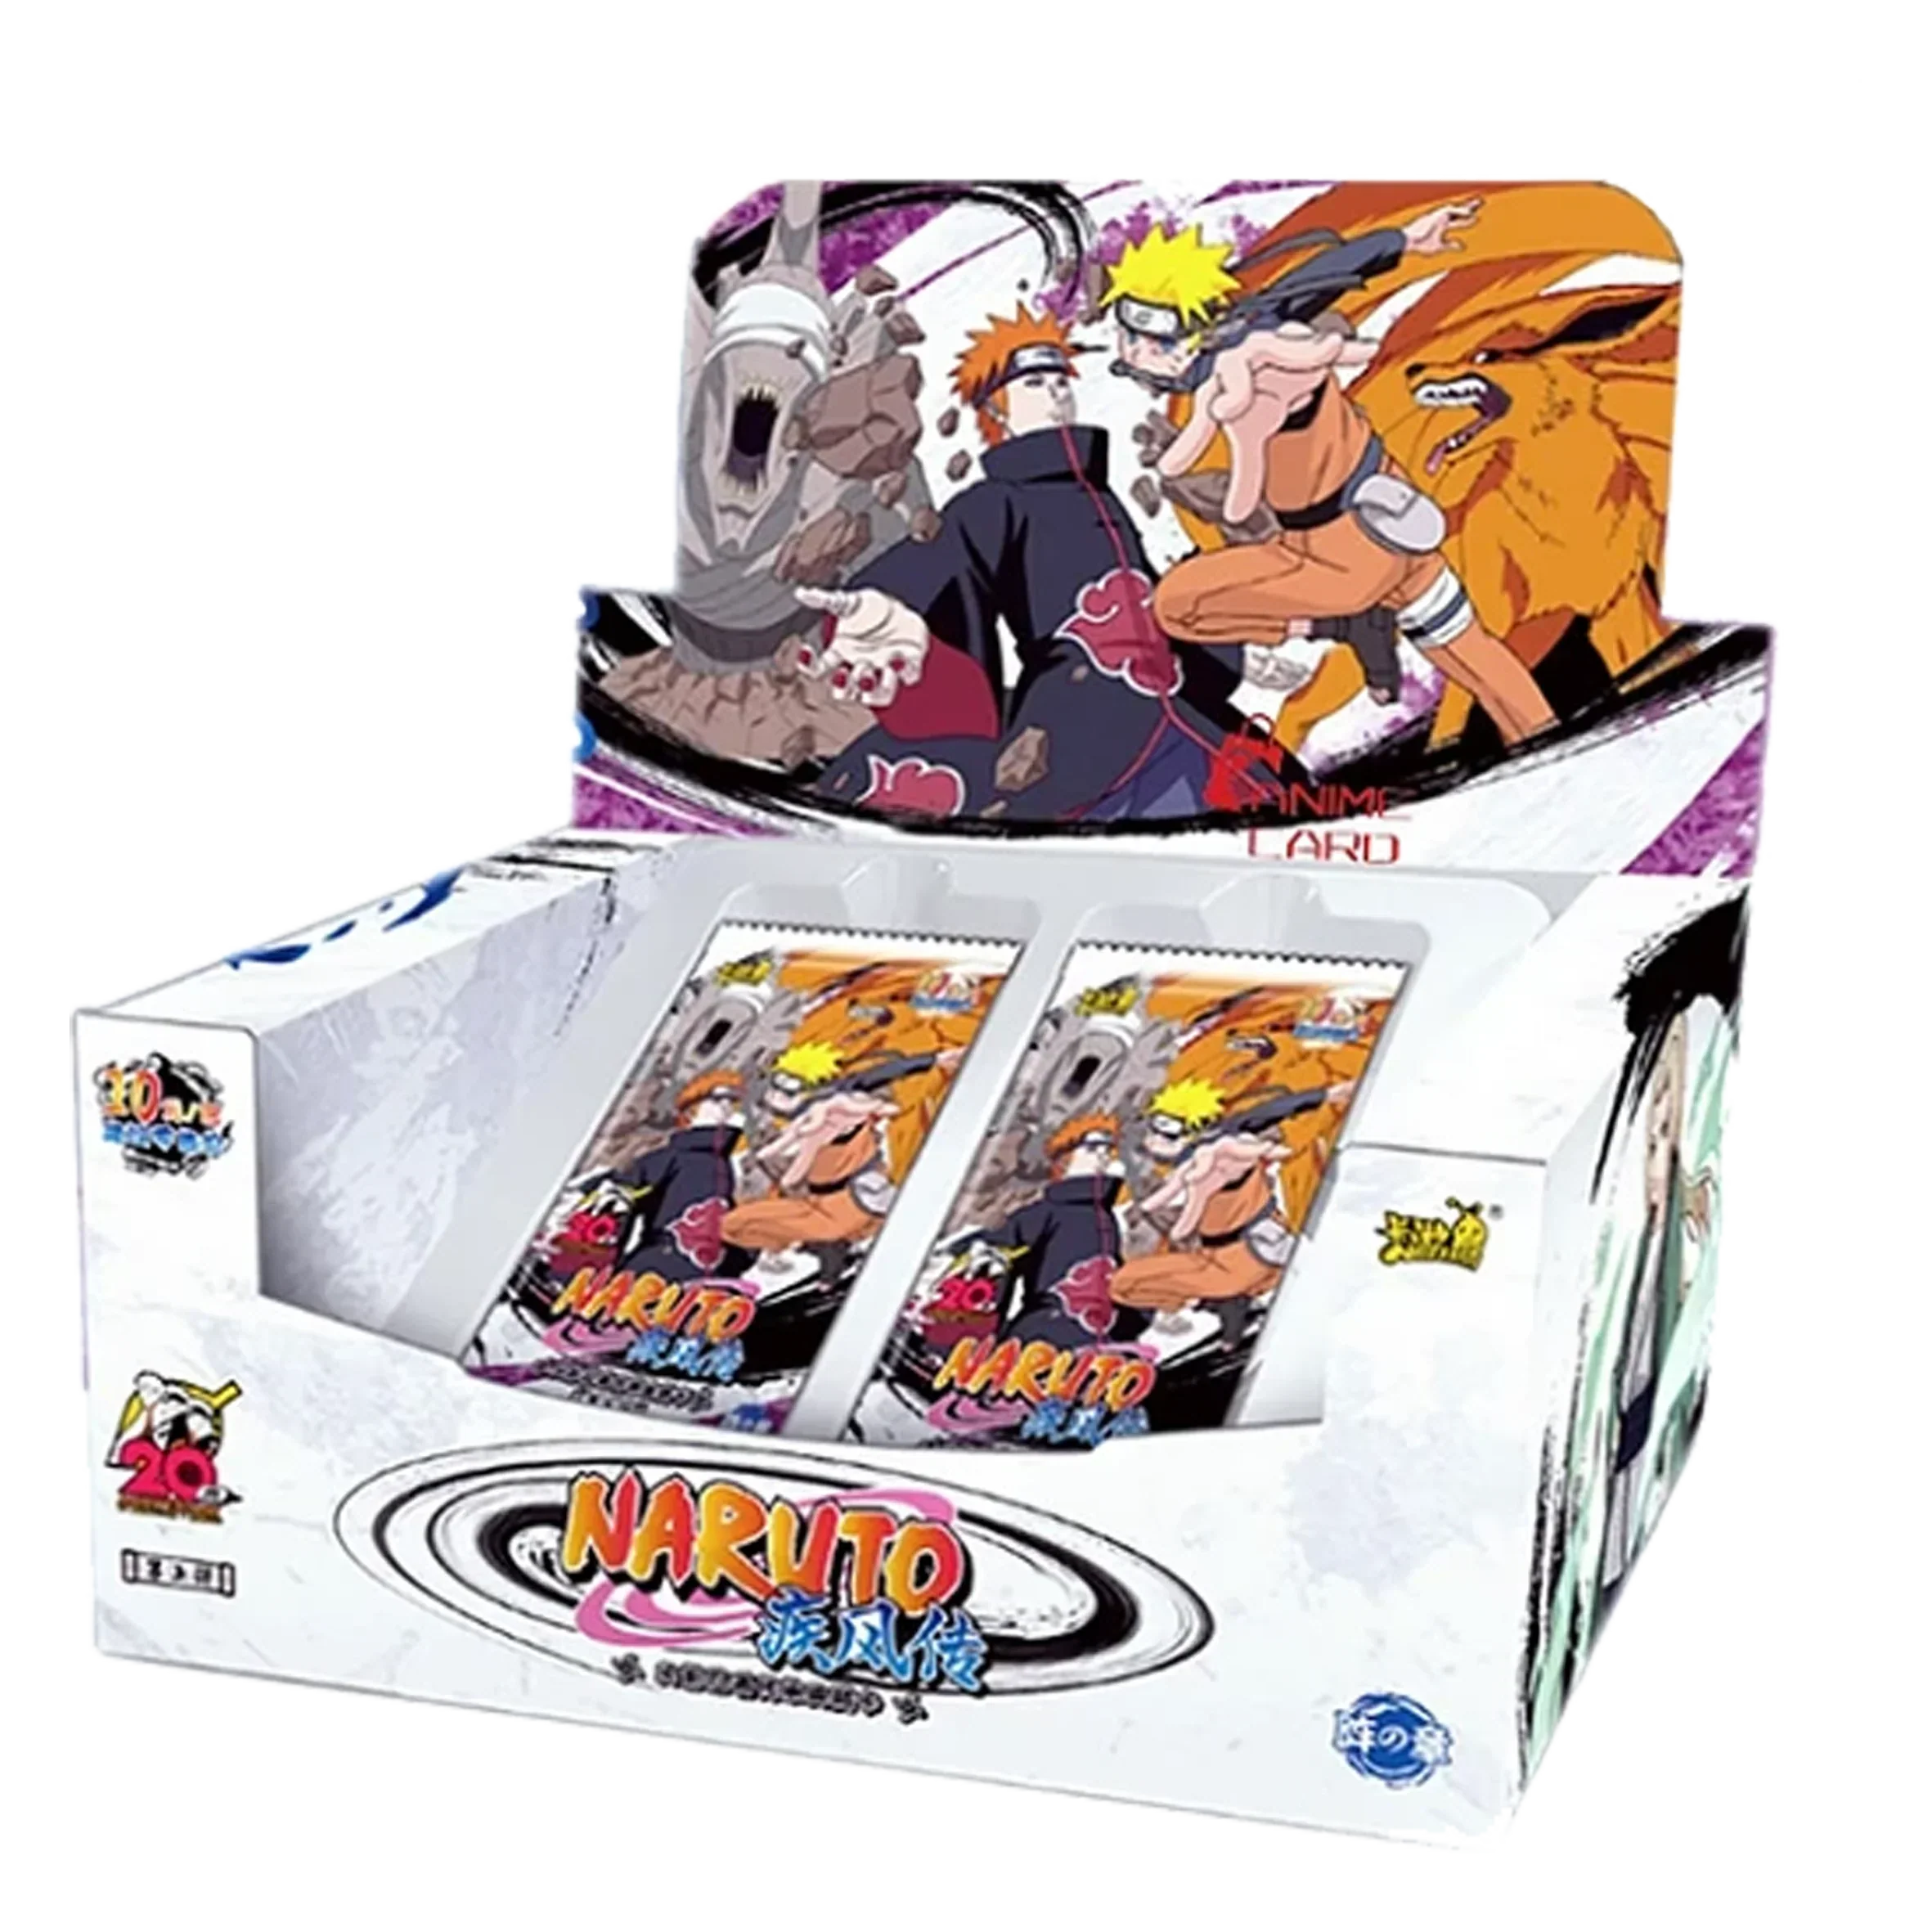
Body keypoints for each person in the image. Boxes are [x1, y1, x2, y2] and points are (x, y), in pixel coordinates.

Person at [797, 304, 1296, 824]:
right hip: (1077, 724)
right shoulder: (995, 502)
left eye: (1061, 381)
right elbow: (937, 560)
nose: (1056, 394)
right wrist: (889, 607)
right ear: (997, 412)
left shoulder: (1100, 494)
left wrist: (1214, 605)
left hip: (1168, 707)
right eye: (1034, 384)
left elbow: (1137, 595)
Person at [1103, 215, 1559, 747]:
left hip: (1339, 560)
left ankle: (1344, 624)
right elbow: (1319, 275)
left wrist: (1222, 447)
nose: (1135, 357)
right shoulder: (1260, 325)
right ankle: (1545, 735)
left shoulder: (1248, 378)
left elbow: (1238, 503)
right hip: (1392, 514)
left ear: (1184, 336)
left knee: (1176, 606)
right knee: (1471, 652)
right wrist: (1405, 240)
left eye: (1144, 344)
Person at [609, 1071, 753, 1283]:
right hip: (654, 1274)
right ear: (691, 1109)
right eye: (716, 1099)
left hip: (706, 1282)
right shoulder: (669, 1159)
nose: (725, 1106)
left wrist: (738, 1258)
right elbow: (615, 1210)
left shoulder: (730, 1165)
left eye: (731, 1101)